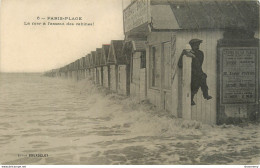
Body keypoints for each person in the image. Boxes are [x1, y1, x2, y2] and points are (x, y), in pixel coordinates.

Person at [178, 39, 212, 105]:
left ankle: (206, 95)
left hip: (198, 71)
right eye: (196, 45)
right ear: (191, 45)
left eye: (198, 45)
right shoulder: (185, 53)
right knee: (195, 84)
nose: (197, 46)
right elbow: (180, 64)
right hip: (191, 72)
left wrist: (193, 56)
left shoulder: (200, 53)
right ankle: (191, 99)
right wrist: (184, 54)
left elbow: (199, 64)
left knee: (203, 78)